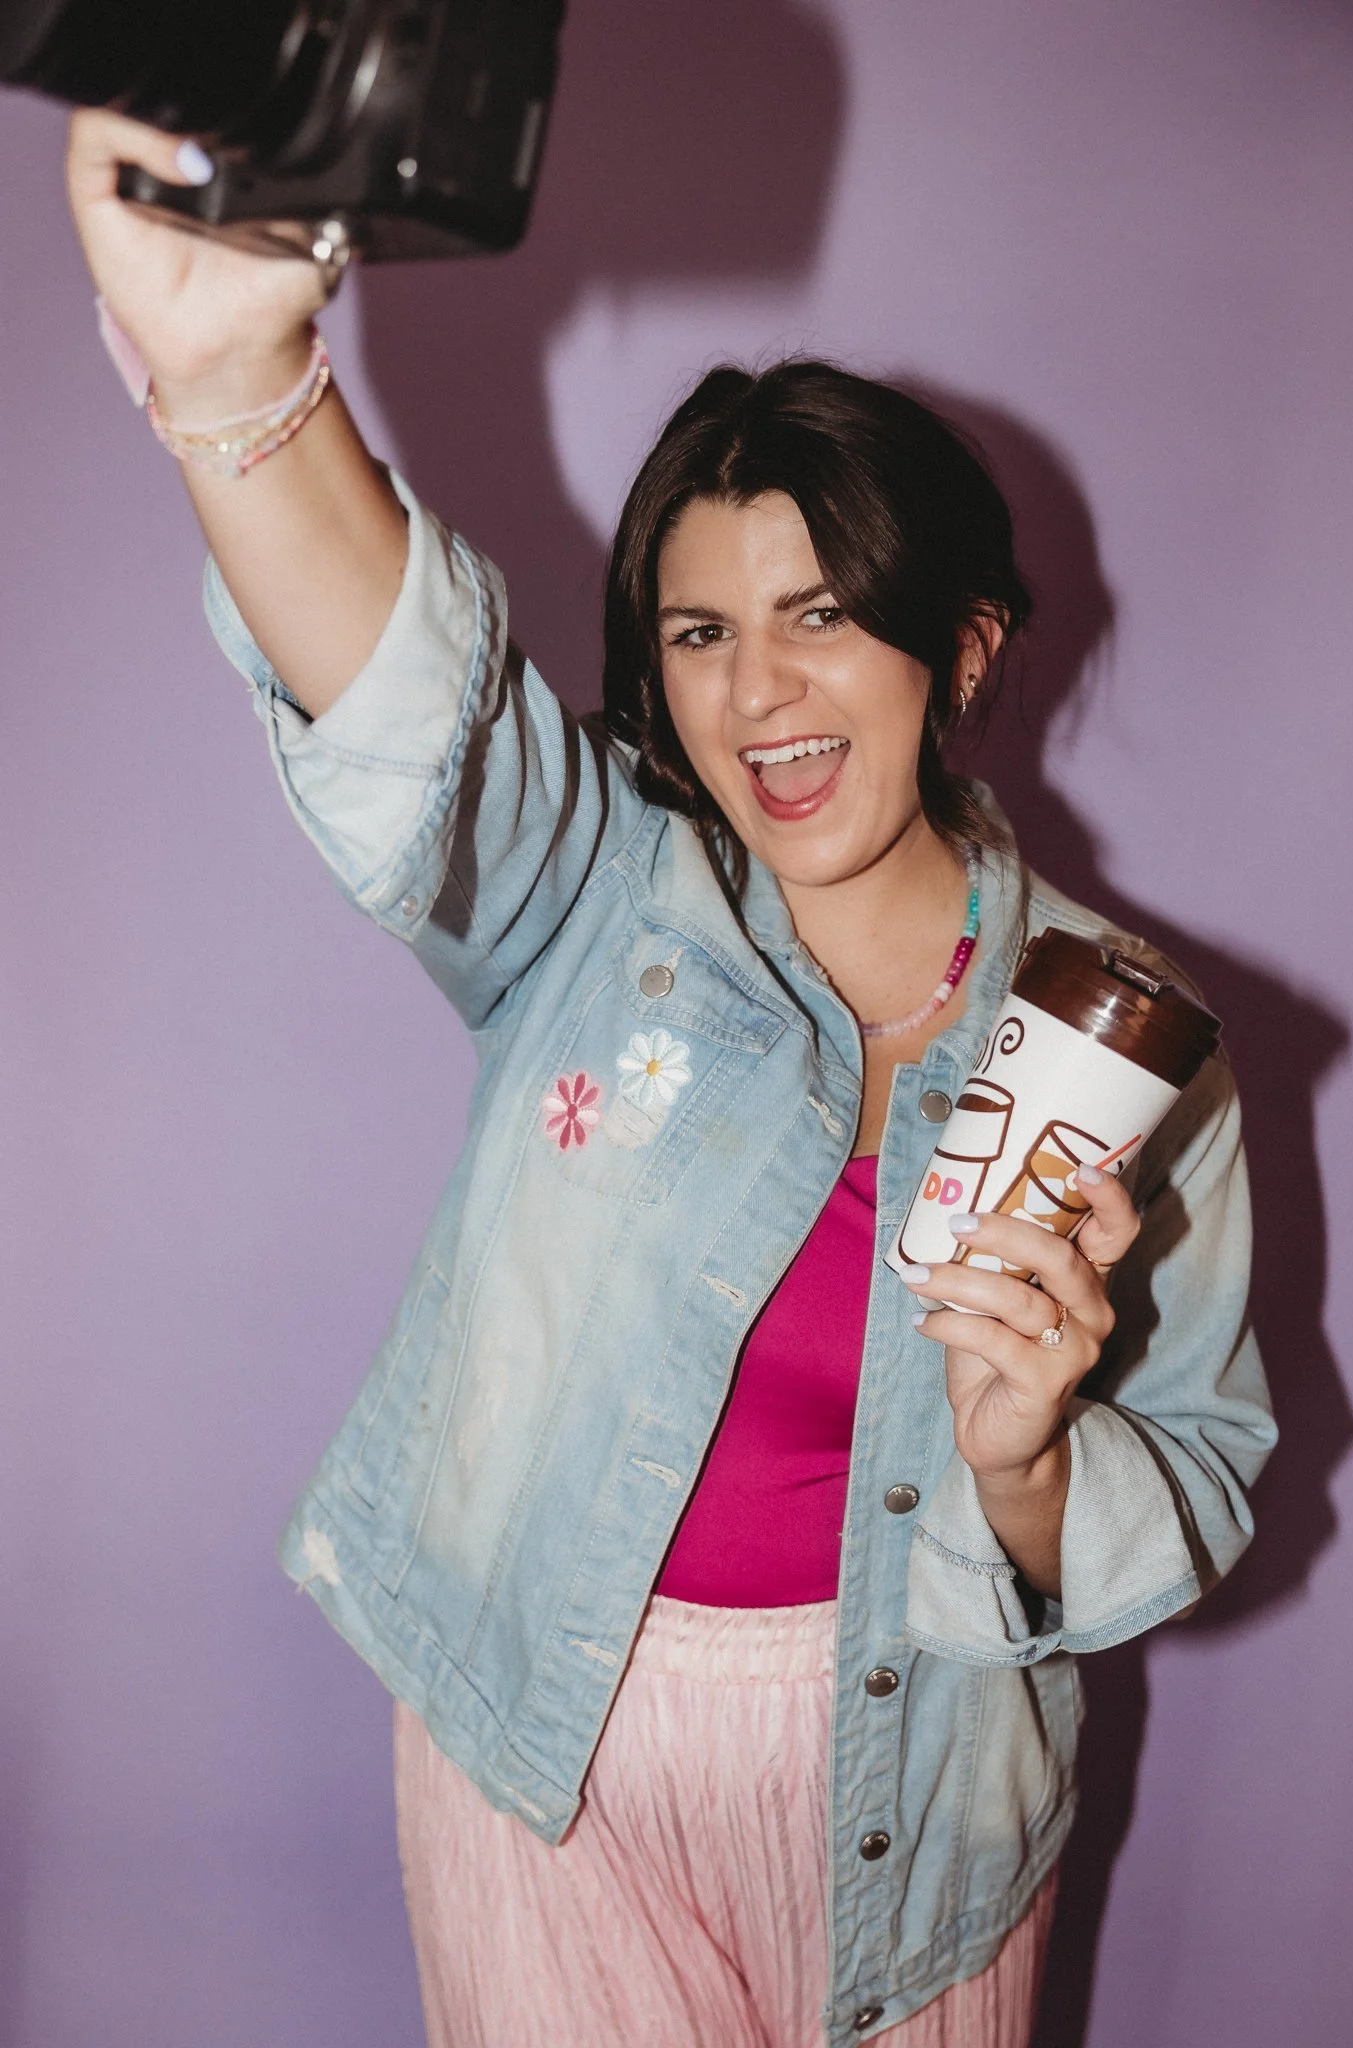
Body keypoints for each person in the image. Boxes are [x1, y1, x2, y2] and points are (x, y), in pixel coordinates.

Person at [67, 109, 1275, 2048]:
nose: (756, 695)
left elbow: (1202, 1465)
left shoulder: (1130, 1046)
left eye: (820, 616)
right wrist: (242, 381)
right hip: (547, 1752)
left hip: (921, 1808)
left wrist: (1026, 1453)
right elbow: (417, 709)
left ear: (957, 648)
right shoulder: (599, 892)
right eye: (699, 631)